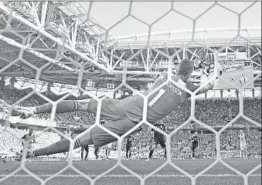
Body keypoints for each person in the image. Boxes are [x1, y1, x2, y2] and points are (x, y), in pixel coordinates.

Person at [12, 59, 221, 160]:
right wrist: (216, 71)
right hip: (135, 122)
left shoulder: (165, 76)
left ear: (177, 69)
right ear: (190, 74)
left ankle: (34, 110)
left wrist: (197, 70)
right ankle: (33, 154)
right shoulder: (188, 91)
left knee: (81, 104)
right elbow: (210, 85)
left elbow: (166, 81)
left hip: (130, 103)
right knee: (80, 141)